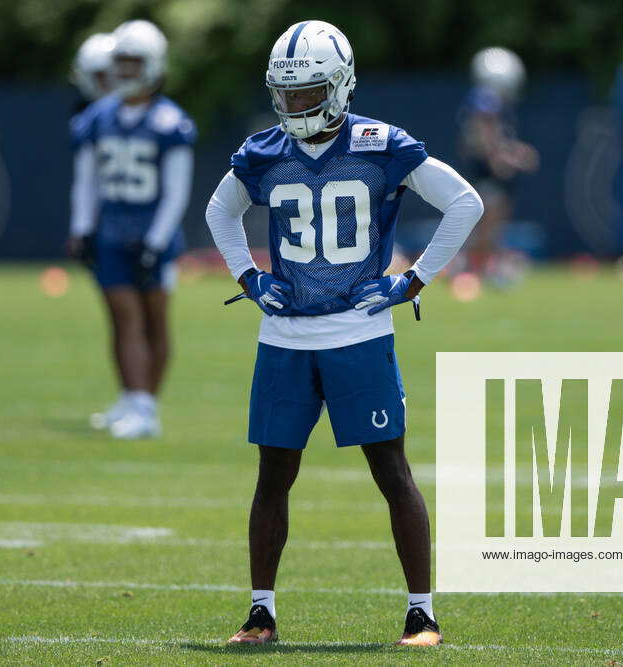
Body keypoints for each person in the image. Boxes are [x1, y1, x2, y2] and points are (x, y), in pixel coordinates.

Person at [205, 20, 483, 646]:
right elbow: (220, 211)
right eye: (287, 94)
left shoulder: (381, 144)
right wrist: (249, 277)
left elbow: (465, 202)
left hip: (358, 333)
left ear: (339, 86)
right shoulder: (262, 151)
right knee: (272, 476)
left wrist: (413, 281)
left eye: (307, 93)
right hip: (284, 337)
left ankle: (422, 613)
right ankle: (260, 612)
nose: (295, 106)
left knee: (391, 471)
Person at [68, 20, 196, 439]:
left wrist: (155, 241)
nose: (124, 70)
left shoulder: (169, 121)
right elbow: (86, 180)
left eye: (132, 62)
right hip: (111, 232)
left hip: (151, 233)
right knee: (123, 318)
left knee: (154, 321)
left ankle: (146, 405)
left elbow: (177, 192)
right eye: (119, 62)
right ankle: (133, 399)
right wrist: (82, 228)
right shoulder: (98, 117)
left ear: (153, 64)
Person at [457, 47, 537, 282]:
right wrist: (498, 159)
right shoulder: (485, 98)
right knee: (488, 219)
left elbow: (497, 137)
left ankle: (480, 267)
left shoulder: (491, 100)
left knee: (493, 222)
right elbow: (485, 132)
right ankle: (475, 269)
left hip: (485, 170)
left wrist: (514, 152)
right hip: (483, 171)